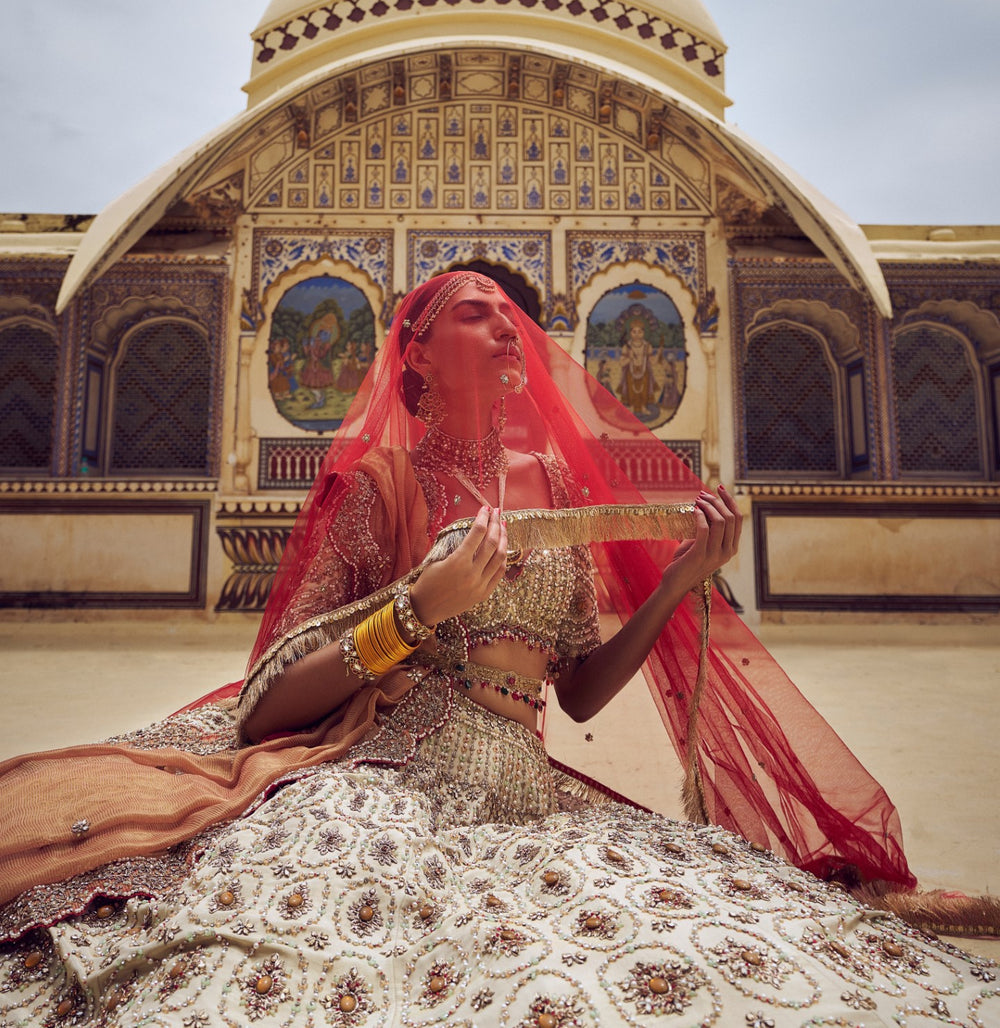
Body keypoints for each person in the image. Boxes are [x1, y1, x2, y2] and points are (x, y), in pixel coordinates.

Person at [0, 271, 996, 1027]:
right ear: (417, 354)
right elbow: (268, 705)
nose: (504, 323)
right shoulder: (378, 490)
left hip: (527, 792)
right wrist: (416, 609)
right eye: (474, 309)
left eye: (508, 313)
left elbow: (583, 694)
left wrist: (681, 586)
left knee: (724, 946)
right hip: (393, 777)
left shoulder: (553, 490)